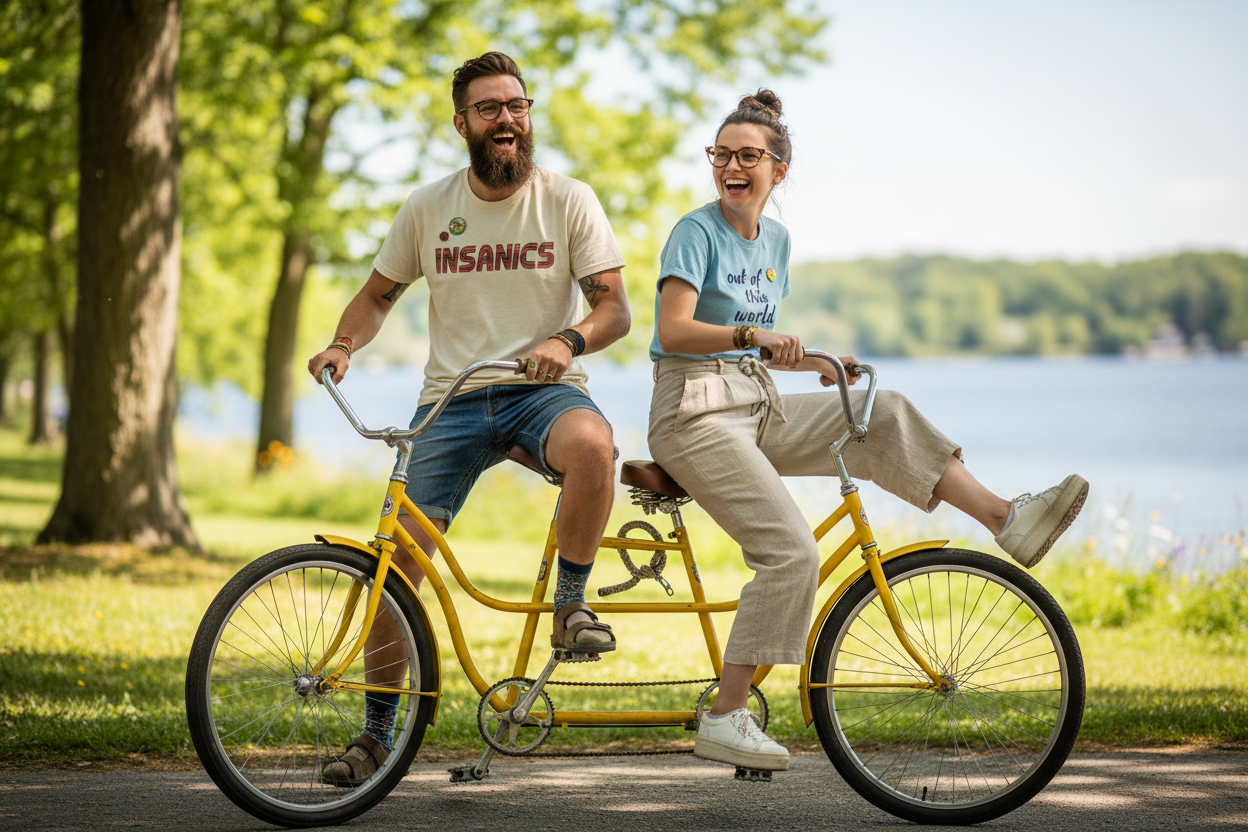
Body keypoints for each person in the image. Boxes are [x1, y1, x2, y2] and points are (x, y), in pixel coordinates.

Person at [646, 91, 1088, 773]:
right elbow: (676, 330)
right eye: (722, 155)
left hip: (755, 400)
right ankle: (726, 714)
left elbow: (753, 347)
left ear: (778, 169)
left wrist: (818, 360)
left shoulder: (778, 242)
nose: (732, 166)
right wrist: (756, 337)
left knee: (880, 409)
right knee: (791, 551)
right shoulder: (695, 231)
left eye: (748, 156)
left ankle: (1007, 518)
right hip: (694, 410)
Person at [307, 51, 631, 785]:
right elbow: (378, 294)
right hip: (449, 400)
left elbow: (614, 309)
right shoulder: (428, 206)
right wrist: (341, 342)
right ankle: (376, 739)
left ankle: (571, 608)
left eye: (517, 105)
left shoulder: (568, 198)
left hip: (540, 388)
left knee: (594, 448)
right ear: (463, 123)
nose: (507, 119)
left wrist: (565, 339)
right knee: (396, 568)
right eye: (489, 108)